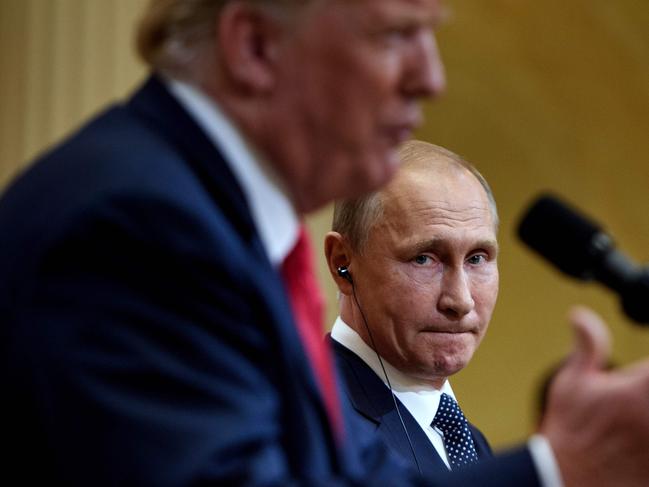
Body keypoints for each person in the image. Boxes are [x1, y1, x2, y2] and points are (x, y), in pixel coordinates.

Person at [1, 0, 649, 486]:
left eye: (478, 257)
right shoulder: (139, 226)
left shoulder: (212, 222)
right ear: (255, 45)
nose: (431, 77)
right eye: (397, 34)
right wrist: (558, 463)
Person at [325, 140, 498, 475]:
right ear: (342, 263)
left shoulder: (472, 443)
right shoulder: (314, 422)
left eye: (477, 258)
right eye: (424, 259)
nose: (460, 301)